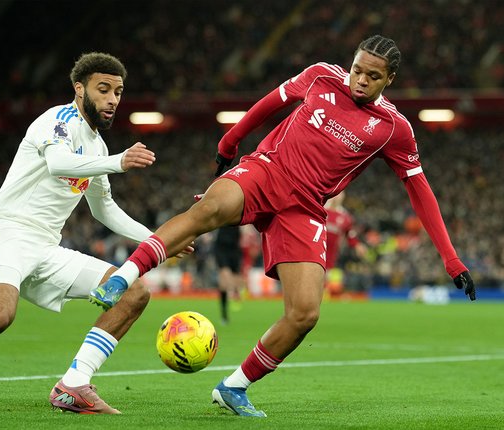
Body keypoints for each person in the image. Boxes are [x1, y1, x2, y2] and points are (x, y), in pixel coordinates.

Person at [92, 35, 476, 417]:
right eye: (357, 69)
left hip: (305, 209)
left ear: (389, 79)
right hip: (267, 171)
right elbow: (270, 103)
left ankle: (234, 386)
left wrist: (451, 259)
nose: (360, 80)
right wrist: (230, 141)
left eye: (372, 76)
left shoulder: (393, 128)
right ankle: (122, 278)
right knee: (208, 210)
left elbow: (419, 190)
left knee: (305, 313)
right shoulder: (321, 76)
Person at [0, 52, 184, 417]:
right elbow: (58, 163)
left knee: (133, 292)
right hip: (6, 231)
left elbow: (104, 209)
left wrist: (157, 240)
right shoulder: (57, 121)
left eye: (118, 92)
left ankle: (74, 385)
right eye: (103, 89)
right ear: (79, 89)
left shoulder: (98, 147)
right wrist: (118, 162)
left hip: (46, 246)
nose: (112, 100)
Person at [323, 191, 367, 297]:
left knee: (325, 280)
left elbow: (350, 234)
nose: (337, 197)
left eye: (340, 194)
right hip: (315, 250)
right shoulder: (321, 209)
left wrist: (357, 245)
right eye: (336, 194)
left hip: (331, 256)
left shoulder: (345, 216)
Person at [213, 225, 244, 324]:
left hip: (234, 248)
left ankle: (236, 292)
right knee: (225, 279)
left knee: (236, 279)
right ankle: (224, 314)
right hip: (222, 249)